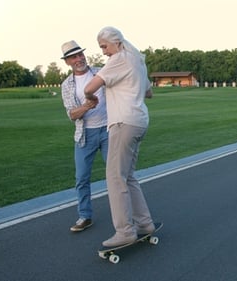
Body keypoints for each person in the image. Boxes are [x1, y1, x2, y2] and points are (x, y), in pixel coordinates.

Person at [84, 26, 154, 247]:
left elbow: (90, 86)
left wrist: (90, 98)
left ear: (115, 42)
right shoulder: (137, 61)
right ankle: (145, 224)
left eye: (104, 46)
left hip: (123, 122)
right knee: (128, 176)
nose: (104, 52)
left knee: (115, 178)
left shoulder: (119, 59)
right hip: (139, 121)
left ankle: (124, 231)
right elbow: (149, 93)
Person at [60, 40, 108, 232]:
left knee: (115, 174)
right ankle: (85, 216)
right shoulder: (67, 85)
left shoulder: (101, 72)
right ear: (67, 62)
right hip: (84, 135)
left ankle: (126, 214)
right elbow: (72, 114)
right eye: (74, 56)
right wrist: (88, 105)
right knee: (81, 178)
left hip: (109, 129)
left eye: (80, 54)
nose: (79, 58)